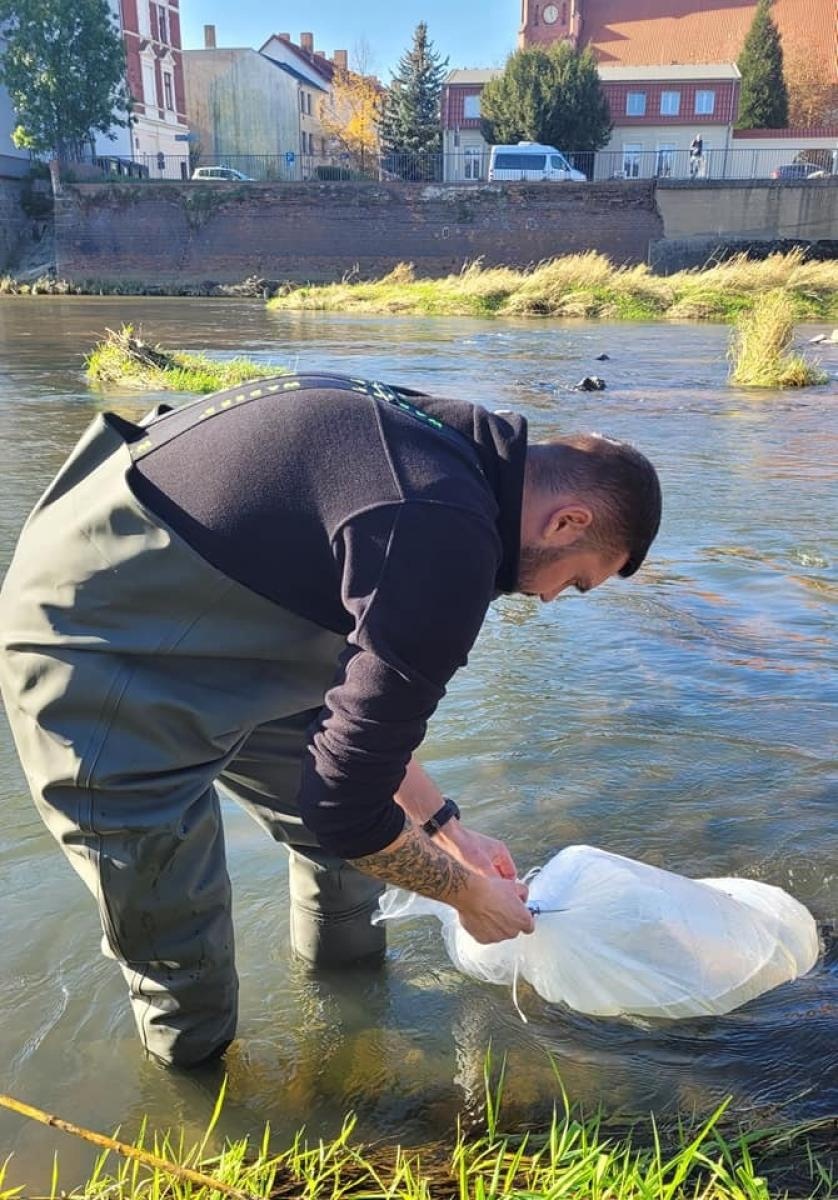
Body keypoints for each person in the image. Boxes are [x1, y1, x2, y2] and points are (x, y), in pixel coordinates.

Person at [0, 372, 661, 1068]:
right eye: (578, 581)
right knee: (176, 933)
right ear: (568, 523)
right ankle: (201, 1095)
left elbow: (360, 737)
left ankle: (351, 1028)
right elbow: (346, 808)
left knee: (350, 861)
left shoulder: (459, 452)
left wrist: (448, 831)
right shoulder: (444, 536)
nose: (554, 598)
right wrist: (470, 896)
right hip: (98, 642)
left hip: (237, 614)